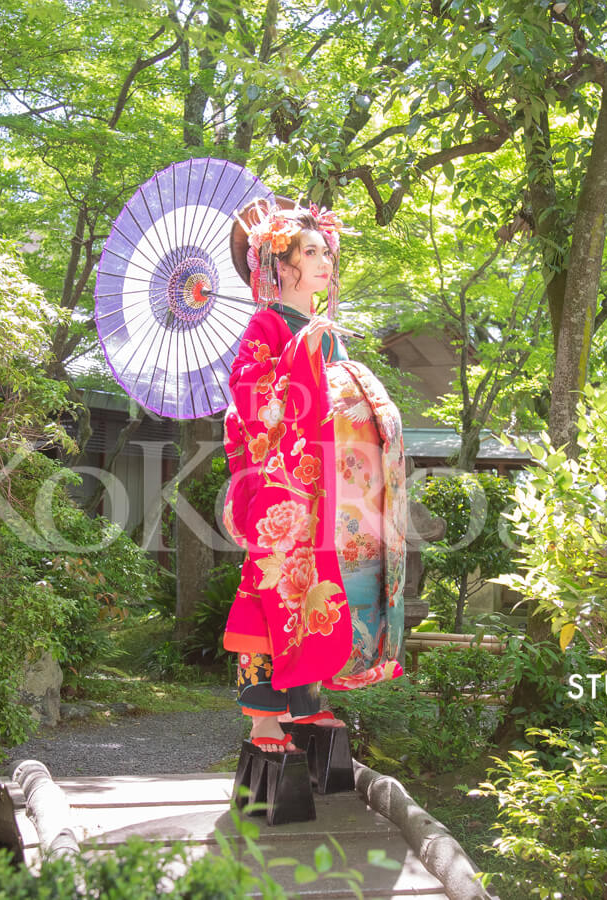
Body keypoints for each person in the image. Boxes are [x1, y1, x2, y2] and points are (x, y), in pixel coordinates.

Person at [221, 199, 407, 758]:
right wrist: (302, 351)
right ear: (279, 264)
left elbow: (338, 401)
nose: (324, 261)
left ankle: (309, 701)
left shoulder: (327, 332)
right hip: (284, 483)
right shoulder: (269, 322)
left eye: (326, 250)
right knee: (276, 585)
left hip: (330, 485)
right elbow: (249, 392)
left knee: (324, 592)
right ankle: (263, 720)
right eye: (310, 252)